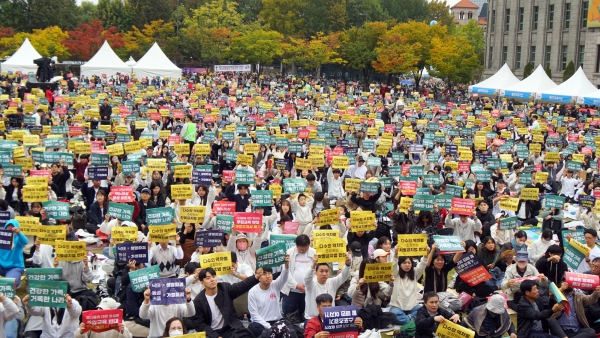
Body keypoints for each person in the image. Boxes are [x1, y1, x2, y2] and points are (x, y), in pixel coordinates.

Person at [192, 267, 263, 338]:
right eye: (208, 278)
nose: (212, 280)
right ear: (202, 283)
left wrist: (255, 277)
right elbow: (200, 324)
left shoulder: (224, 288)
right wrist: (216, 336)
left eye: (213, 276)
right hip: (211, 332)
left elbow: (241, 286)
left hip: (230, 328)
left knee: (246, 335)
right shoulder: (198, 301)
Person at [248, 256, 294, 338]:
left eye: (269, 273)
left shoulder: (275, 285)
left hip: (276, 321)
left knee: (291, 328)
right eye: (264, 274)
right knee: (253, 329)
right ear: (258, 277)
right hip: (261, 323)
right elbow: (254, 315)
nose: (268, 276)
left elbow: (284, 276)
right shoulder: (252, 292)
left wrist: (286, 264)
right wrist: (269, 327)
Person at [304, 252, 352, 320]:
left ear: (329, 273)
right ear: (316, 273)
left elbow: (343, 276)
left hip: (329, 318)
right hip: (312, 318)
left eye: (326, 271)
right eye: (321, 271)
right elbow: (307, 277)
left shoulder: (332, 282)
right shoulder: (310, 284)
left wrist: (347, 264)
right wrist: (314, 264)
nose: (324, 274)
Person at [389, 247, 429, 325]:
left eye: (409, 263)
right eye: (404, 263)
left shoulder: (415, 273)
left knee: (424, 310)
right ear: (400, 264)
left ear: (412, 264)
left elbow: (422, 265)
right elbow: (393, 265)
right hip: (397, 307)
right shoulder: (396, 274)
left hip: (413, 307)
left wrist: (426, 253)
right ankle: (411, 321)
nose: (407, 265)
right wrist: (396, 253)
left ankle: (407, 319)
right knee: (393, 314)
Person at [281, 234, 314, 320]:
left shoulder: (314, 252)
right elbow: (286, 272)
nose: (303, 251)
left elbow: (316, 271)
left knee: (306, 316)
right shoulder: (289, 253)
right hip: (292, 290)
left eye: (306, 249)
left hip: (308, 290)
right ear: (296, 245)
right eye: (301, 249)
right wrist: (296, 285)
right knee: (289, 316)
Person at [0, 219, 28, 286]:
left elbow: (25, 242)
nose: (10, 227)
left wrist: (19, 233)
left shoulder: (18, 238)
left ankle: (17, 282)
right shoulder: (1, 238)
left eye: (12, 226)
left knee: (10, 283)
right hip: (1, 266)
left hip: (15, 267)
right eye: (8, 226)